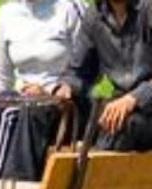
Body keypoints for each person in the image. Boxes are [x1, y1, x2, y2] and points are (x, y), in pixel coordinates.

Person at [0, 0, 87, 179]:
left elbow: (88, 67)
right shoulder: (8, 13)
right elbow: (0, 77)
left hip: (60, 104)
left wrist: (51, 91)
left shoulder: (71, 9)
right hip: (19, 96)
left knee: (1, 112)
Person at [54, 0, 152, 151]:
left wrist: (135, 98)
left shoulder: (148, 8)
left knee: (121, 125)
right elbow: (77, 70)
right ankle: (17, 174)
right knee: (45, 112)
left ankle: (89, 165)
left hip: (146, 108)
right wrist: (66, 86)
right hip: (113, 103)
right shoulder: (94, 15)